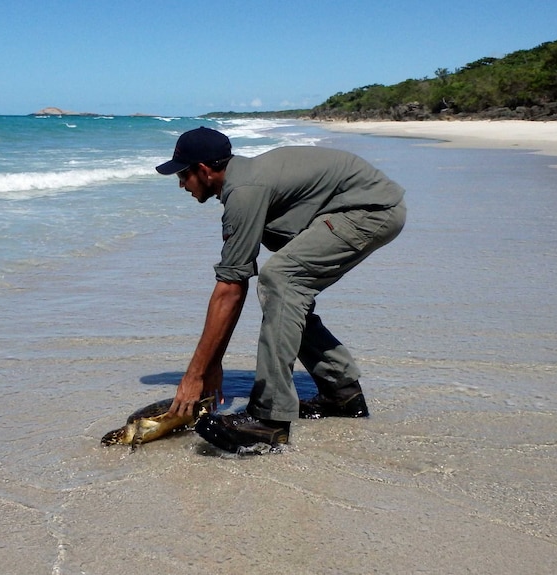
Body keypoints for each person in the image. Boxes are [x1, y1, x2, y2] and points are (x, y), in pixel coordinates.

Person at [156, 127, 406, 453]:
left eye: (182, 175)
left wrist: (196, 375)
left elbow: (230, 289)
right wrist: (212, 365)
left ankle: (269, 421)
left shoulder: (244, 191)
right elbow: (235, 282)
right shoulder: (244, 184)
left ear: (204, 170)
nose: (180, 184)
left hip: (371, 209)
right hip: (356, 204)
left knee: (280, 279)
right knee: (287, 292)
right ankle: (341, 393)